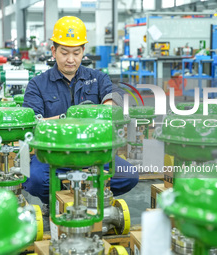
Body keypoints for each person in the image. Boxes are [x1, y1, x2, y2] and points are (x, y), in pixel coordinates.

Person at [22, 16, 138, 212]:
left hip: (93, 151)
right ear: (53, 51)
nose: (70, 59)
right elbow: (34, 122)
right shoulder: (37, 84)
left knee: (129, 175)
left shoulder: (98, 78)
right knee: (33, 180)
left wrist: (110, 103)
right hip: (54, 154)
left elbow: (116, 94)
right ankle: (55, 202)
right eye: (64, 52)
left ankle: (90, 195)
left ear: (83, 51)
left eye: (76, 52)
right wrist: (68, 119)